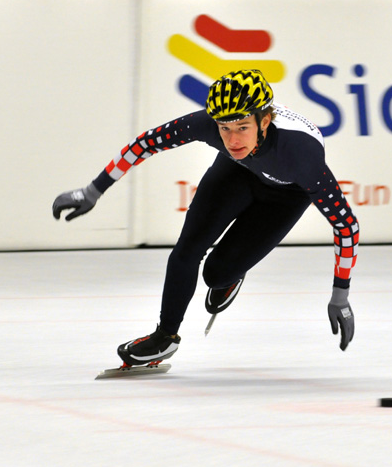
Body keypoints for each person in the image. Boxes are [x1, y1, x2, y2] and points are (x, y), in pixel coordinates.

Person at [53, 69, 358, 367]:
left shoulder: (301, 155)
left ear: (264, 121)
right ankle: (165, 336)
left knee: (216, 273)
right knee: (188, 249)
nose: (232, 138)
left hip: (286, 195)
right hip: (236, 171)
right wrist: (93, 191)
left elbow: (346, 225)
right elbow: (145, 143)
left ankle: (230, 274)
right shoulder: (210, 127)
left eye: (242, 127)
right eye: (225, 128)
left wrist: (340, 297)